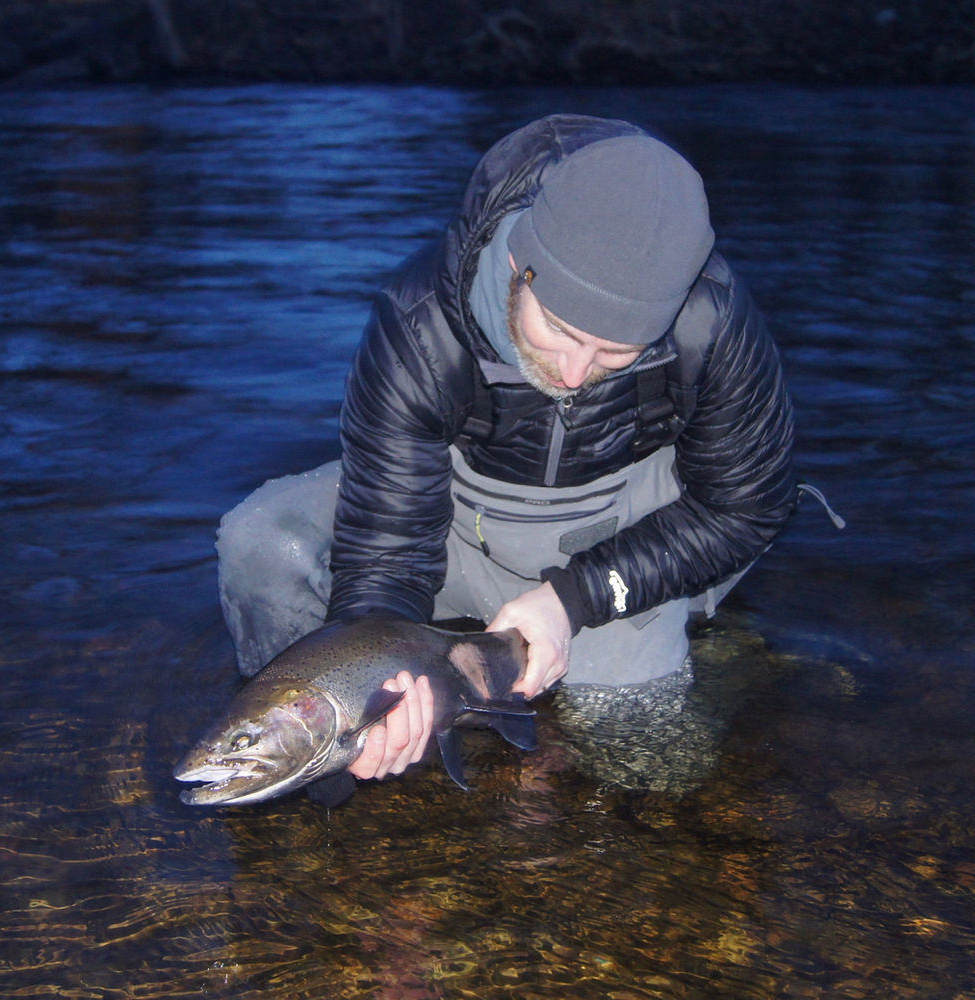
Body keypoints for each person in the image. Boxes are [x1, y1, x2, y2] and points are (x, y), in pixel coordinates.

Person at [216, 114, 796, 785]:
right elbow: (388, 547)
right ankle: (288, 758)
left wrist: (576, 599)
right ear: (521, 266)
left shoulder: (712, 320)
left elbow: (747, 508)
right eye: (558, 328)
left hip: (623, 539)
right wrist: (387, 696)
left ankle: (701, 649)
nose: (576, 373)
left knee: (648, 768)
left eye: (617, 353)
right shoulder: (421, 319)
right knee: (262, 542)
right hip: (458, 526)